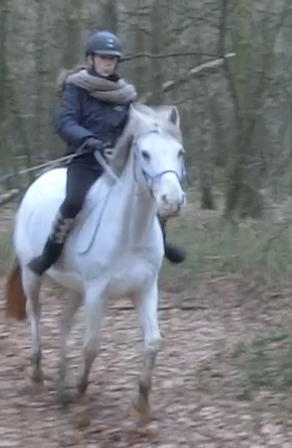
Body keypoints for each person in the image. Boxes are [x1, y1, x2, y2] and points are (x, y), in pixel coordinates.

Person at [27, 30, 186, 276]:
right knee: (74, 201)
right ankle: (50, 252)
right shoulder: (76, 89)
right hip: (85, 161)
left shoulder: (124, 94)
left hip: (117, 162)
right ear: (91, 59)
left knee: (150, 193)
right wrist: (87, 139)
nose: (107, 63)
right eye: (103, 58)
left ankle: (161, 243)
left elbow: (135, 124)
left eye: (112, 59)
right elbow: (64, 121)